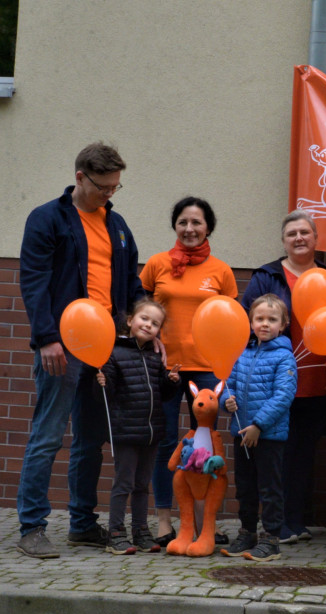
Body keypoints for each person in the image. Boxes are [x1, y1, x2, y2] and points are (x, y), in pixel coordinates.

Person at [16, 142, 143, 559]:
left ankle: (82, 525)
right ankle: (32, 527)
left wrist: (143, 323)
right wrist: (46, 338)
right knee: (48, 435)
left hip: (104, 349)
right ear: (79, 177)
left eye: (115, 187)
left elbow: (131, 284)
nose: (109, 194)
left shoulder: (117, 226)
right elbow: (34, 281)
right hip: (62, 346)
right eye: (103, 187)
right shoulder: (47, 219)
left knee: (90, 441)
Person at [242, 210, 326, 544]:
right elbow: (248, 324)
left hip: (317, 384)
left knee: (304, 455)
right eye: (292, 233)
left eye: (305, 232)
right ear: (283, 241)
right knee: (278, 455)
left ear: (316, 238)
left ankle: (295, 520)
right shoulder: (267, 277)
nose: (298, 238)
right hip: (276, 385)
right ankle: (276, 524)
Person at [139, 196, 238, 547]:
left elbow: (230, 322)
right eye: (183, 222)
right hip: (165, 368)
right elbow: (141, 313)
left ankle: (202, 522)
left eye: (196, 222)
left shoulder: (222, 272)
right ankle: (166, 521)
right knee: (166, 444)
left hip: (207, 371)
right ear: (175, 226)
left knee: (205, 446)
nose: (189, 228)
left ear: (208, 227)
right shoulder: (156, 265)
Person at [90, 299, 181, 555]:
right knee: (124, 484)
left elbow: (162, 394)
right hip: (126, 432)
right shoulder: (114, 352)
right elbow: (105, 395)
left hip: (151, 432)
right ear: (130, 320)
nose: (148, 325)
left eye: (155, 323)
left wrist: (171, 381)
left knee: (142, 484)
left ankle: (140, 531)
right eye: (144, 319)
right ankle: (116, 533)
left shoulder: (155, 356)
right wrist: (100, 383)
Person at [219, 294, 297, 562]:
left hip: (268, 435)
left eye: (272, 319)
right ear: (250, 322)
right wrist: (225, 400)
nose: (265, 324)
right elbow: (227, 382)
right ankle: (247, 532)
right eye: (259, 318)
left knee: (269, 488)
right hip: (242, 433)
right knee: (245, 486)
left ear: (283, 325)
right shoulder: (242, 352)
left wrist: (258, 425)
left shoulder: (284, 357)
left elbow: (283, 396)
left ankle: (271, 539)